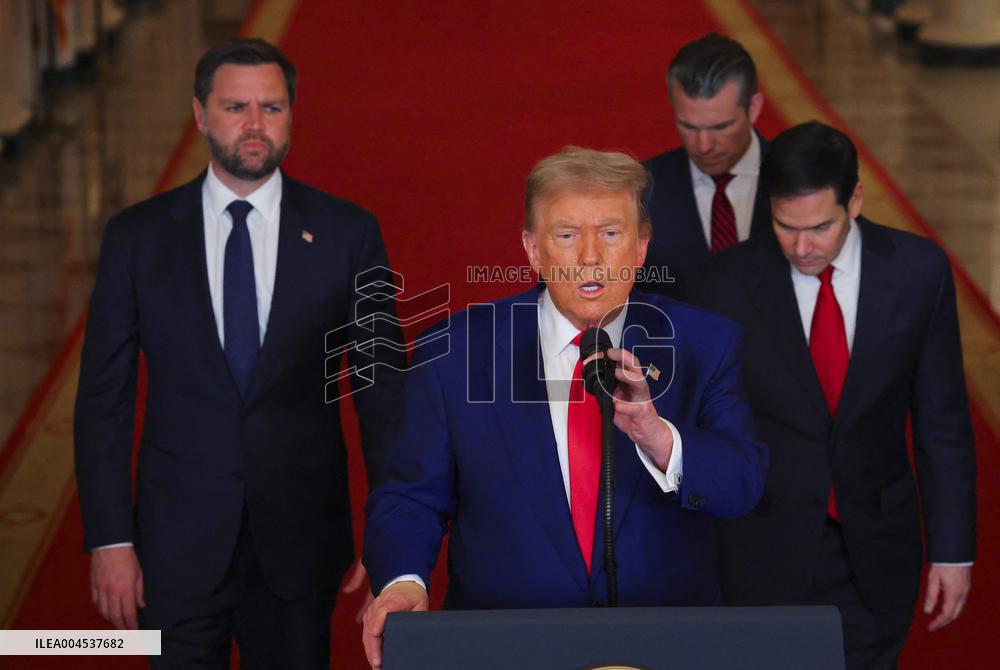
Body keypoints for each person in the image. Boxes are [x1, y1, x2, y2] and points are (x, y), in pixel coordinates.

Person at [360, 146, 768, 669]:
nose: (591, 257)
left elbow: (743, 487)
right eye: (567, 235)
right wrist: (401, 581)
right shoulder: (456, 352)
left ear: (642, 246)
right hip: (504, 650)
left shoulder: (704, 344)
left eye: (612, 233)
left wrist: (659, 438)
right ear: (533, 249)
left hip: (663, 647)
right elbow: (410, 496)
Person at [73, 38, 406, 668]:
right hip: (173, 543)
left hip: (299, 538)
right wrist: (110, 538)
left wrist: (392, 529)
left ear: (291, 114)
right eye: (235, 107)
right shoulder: (137, 238)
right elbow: (103, 399)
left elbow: (381, 392)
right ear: (199, 114)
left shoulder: (347, 234)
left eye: (271, 108)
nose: (254, 125)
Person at [689, 121, 976, 669]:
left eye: (820, 227)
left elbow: (943, 422)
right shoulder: (722, 286)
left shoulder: (919, 273)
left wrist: (952, 550)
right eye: (784, 226)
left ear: (856, 201)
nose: (801, 247)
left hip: (876, 548)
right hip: (761, 549)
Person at [640, 33, 770, 297]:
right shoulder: (642, 190)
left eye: (721, 127)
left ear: (754, 108)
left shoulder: (803, 180)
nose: (703, 145)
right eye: (688, 126)